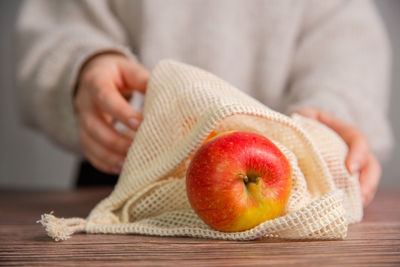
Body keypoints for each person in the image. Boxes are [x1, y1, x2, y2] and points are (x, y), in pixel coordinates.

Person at [15, 0, 393, 207]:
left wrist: (330, 117)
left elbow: (348, 49)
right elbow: (58, 22)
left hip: (285, 184)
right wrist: (85, 66)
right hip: (126, 173)